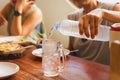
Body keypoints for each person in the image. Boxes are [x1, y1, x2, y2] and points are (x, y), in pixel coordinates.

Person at [67, 0, 120, 65]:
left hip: (106, 71)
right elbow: (71, 51)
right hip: (82, 71)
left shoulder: (112, 8)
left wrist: (103, 13)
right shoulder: (72, 17)